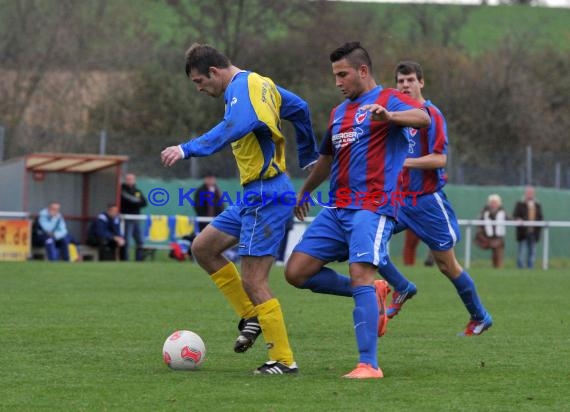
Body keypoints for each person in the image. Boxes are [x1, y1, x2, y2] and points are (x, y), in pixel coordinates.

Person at [160, 43, 318, 375]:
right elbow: (300, 108)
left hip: (267, 193)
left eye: (199, 82)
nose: (200, 89)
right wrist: (308, 155)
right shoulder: (263, 84)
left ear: (214, 72)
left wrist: (186, 149)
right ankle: (251, 315)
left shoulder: (240, 90)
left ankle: (283, 360)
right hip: (254, 195)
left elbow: (235, 127)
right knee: (203, 248)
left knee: (254, 279)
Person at [285, 42, 431, 379]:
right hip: (337, 209)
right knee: (296, 272)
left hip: (374, 206)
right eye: (334, 75)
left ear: (362, 71)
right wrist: (304, 191)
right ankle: (374, 292)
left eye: (342, 74)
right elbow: (325, 159)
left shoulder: (387, 100)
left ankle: (369, 364)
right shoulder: (339, 113)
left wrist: (391, 116)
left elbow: (421, 118)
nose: (337, 81)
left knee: (360, 271)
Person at [375, 61, 493, 335]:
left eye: (410, 80)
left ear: (421, 82)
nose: (405, 85)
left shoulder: (432, 115)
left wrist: (405, 162)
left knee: (446, 265)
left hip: (427, 202)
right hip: (399, 200)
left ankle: (480, 316)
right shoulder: (392, 114)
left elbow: (440, 159)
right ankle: (402, 287)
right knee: (369, 241)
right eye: (400, 81)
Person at [513, 186, 543, 269]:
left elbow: (540, 217)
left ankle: (531, 267)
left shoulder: (537, 204)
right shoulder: (520, 204)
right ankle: (520, 267)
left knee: (532, 251)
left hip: (533, 232)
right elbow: (515, 215)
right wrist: (519, 219)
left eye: (531, 193)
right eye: (528, 193)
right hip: (523, 232)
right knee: (521, 251)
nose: (529, 195)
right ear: (525, 193)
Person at [120, 173, 147, 261]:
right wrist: (136, 202)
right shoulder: (121, 190)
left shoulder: (137, 191)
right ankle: (125, 260)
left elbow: (144, 203)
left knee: (140, 241)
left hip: (136, 219)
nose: (130, 181)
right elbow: (126, 201)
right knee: (127, 241)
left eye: (131, 179)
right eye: (128, 179)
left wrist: (134, 202)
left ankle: (138, 260)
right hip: (126, 219)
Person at [475, 194, 507, 268]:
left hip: (498, 237)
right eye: (492, 202)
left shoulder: (502, 211)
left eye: (495, 202)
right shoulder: (484, 211)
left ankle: (499, 267)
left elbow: (509, 218)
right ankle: (495, 266)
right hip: (487, 236)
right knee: (494, 254)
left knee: (498, 253)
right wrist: (480, 233)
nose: (494, 204)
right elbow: (479, 221)